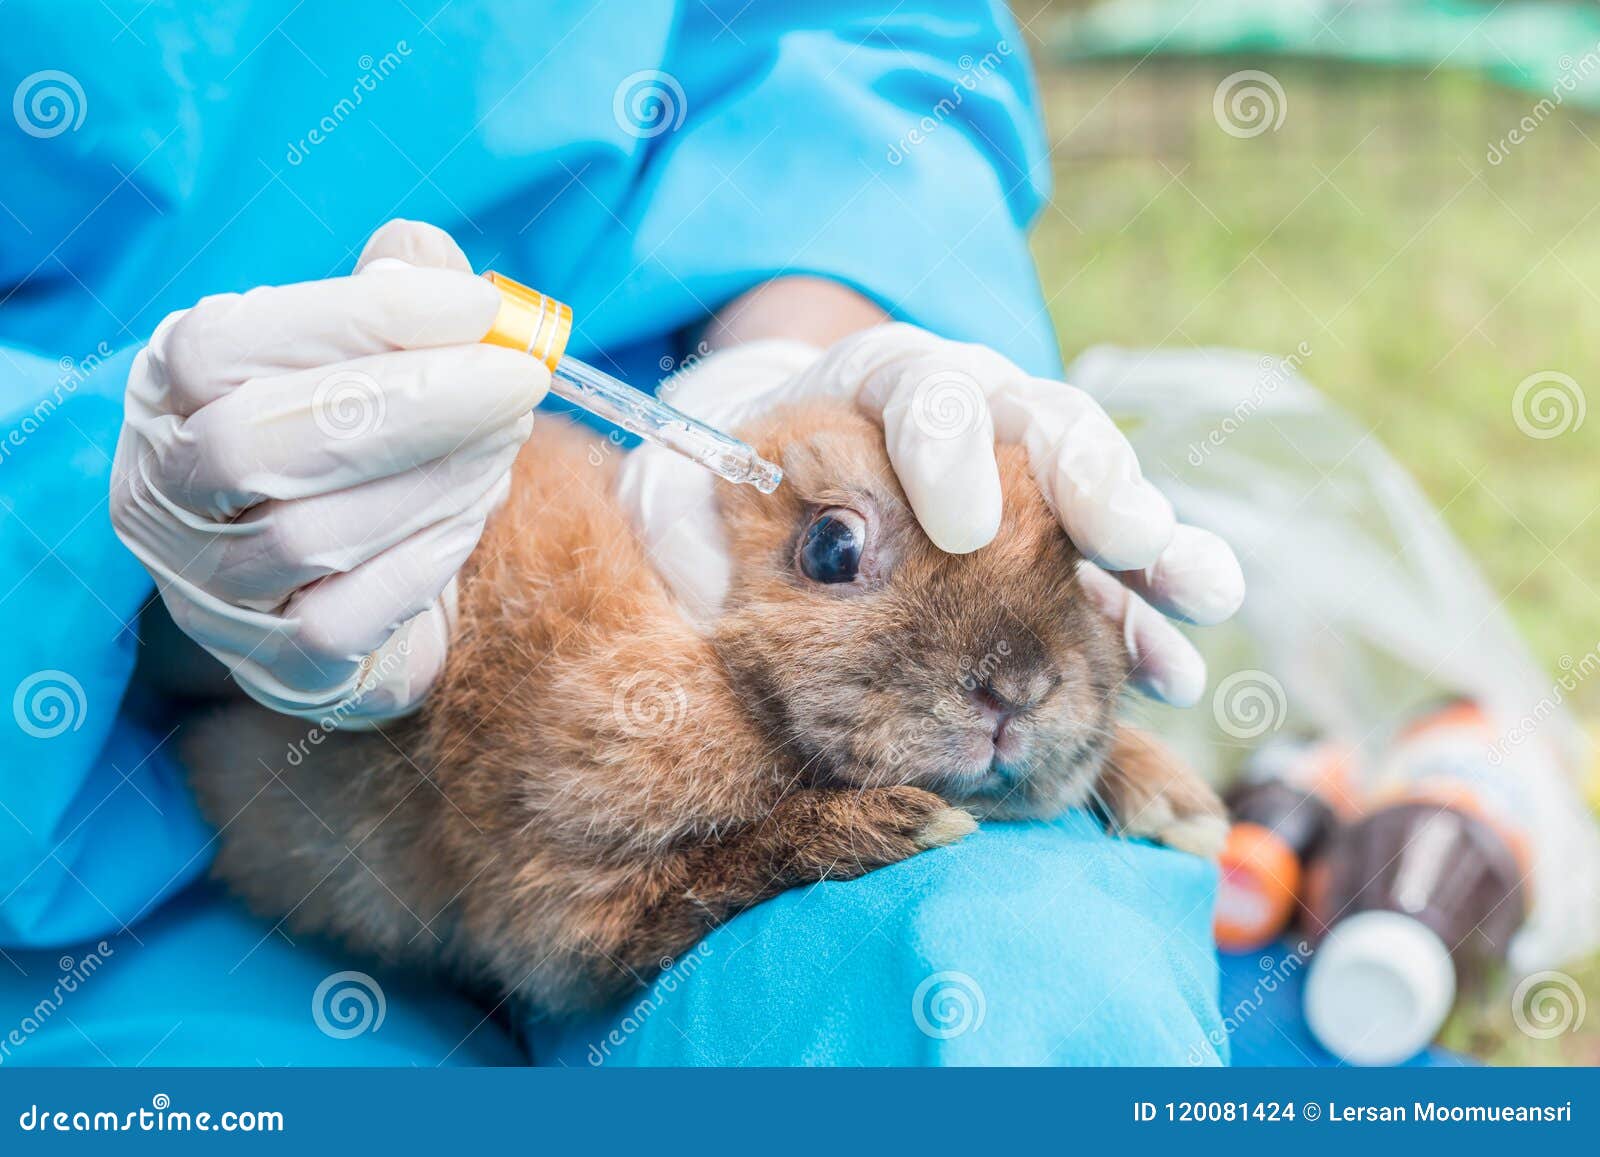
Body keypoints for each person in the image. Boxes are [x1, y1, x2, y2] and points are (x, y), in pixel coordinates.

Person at [0, 1, 1240, 1065]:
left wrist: (788, 344)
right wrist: (106, 522)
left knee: (1013, 993)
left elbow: (858, 37)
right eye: (840, 552)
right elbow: (568, 902)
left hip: (673, 371)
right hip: (94, 823)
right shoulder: (621, 695)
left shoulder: (745, 518)